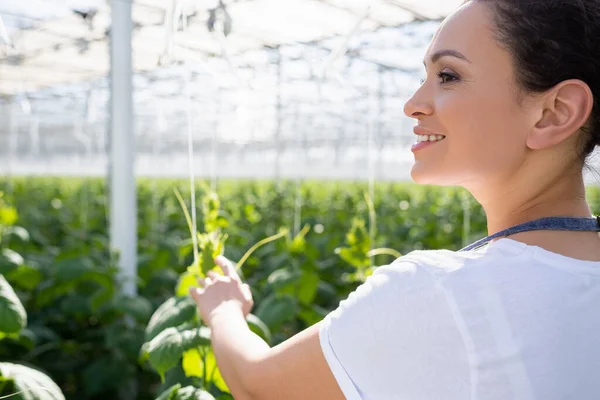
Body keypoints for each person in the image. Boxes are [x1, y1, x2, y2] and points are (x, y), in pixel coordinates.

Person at [189, 0, 600, 398]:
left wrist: (224, 309)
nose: (413, 105)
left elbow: (258, 386)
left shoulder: (442, 293)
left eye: (449, 75)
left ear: (555, 113)